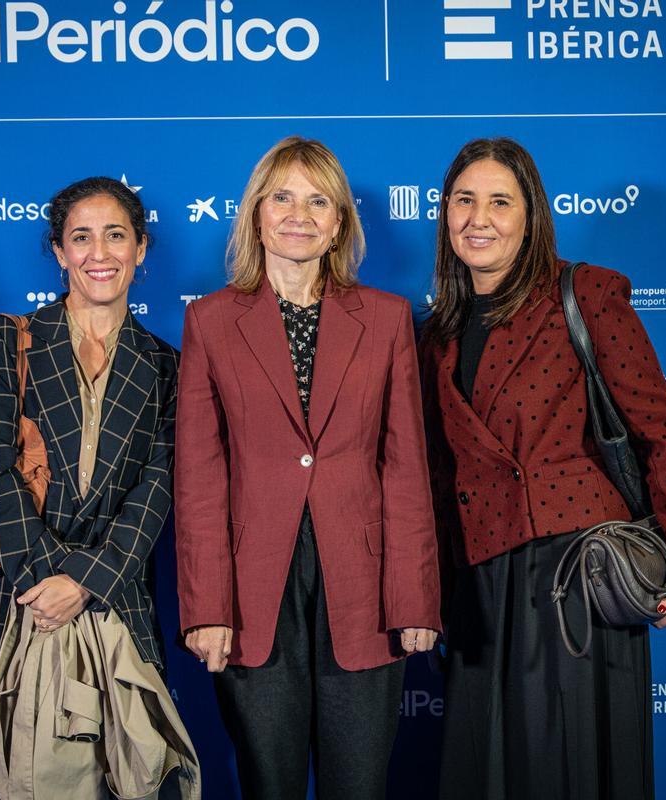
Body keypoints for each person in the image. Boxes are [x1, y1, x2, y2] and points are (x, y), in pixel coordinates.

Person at [420, 138, 666, 800]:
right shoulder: (435, 331)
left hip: (577, 584)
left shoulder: (583, 294)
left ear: (530, 216)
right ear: (444, 215)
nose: (480, 217)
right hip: (478, 588)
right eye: (464, 200)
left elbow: (658, 430)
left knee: (569, 773)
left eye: (500, 201)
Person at [174, 136, 441, 800]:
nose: (299, 214)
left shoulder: (384, 319)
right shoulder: (209, 322)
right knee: (270, 784)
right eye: (282, 197)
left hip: (366, 586)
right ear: (256, 214)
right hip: (251, 592)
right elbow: (200, 477)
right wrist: (206, 606)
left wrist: (414, 597)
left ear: (340, 223)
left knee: (359, 786)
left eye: (319, 200)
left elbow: (406, 466)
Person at [0, 176, 181, 776]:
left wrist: (84, 581)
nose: (99, 254)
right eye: (81, 238)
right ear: (58, 252)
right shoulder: (8, 338)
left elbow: (158, 485)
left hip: (116, 601)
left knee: (132, 781)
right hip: (21, 602)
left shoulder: (165, 364)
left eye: (115, 236)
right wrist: (47, 580)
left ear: (141, 249)